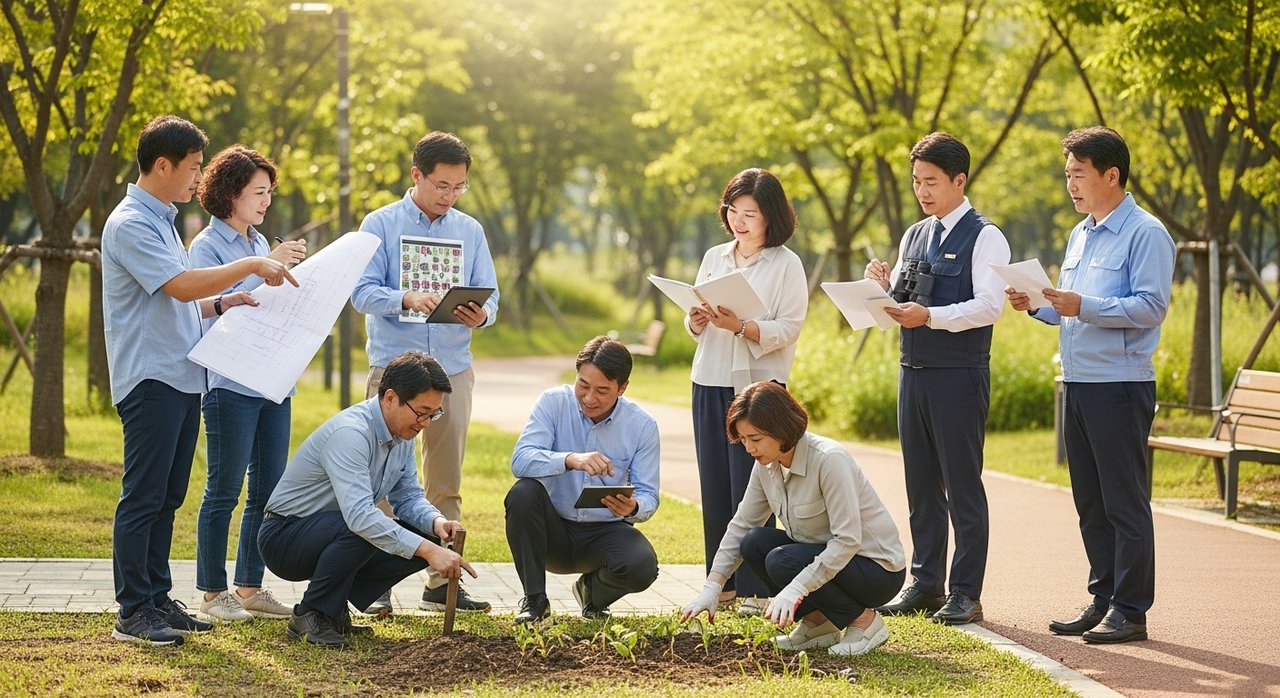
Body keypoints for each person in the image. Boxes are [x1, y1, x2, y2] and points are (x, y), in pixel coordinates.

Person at [102, 115, 297, 646]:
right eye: (192, 168)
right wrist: (254, 264)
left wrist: (224, 302)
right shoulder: (131, 223)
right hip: (151, 377)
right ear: (162, 165)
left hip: (182, 377)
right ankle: (132, 611)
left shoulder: (162, 220)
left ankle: (157, 598)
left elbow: (182, 302)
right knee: (143, 497)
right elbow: (182, 286)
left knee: (168, 498)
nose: (197, 178)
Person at [1006, 126, 1173, 644]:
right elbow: (1070, 310)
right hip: (1077, 383)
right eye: (1067, 175)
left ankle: (1131, 609)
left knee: (1124, 502)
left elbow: (1151, 307)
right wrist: (1038, 304)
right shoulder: (1081, 232)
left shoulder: (1146, 233)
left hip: (1119, 386)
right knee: (1091, 503)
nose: (1070, 185)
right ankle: (1103, 598)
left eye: (1078, 174)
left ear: (1111, 174)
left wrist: (1084, 305)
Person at [865, 132, 1011, 625]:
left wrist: (929, 317)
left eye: (931, 181)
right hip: (913, 373)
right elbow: (901, 299)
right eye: (916, 181)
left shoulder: (986, 236)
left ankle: (966, 592)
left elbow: (989, 306)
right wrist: (879, 288)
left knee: (962, 487)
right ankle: (926, 584)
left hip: (959, 376)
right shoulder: (914, 234)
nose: (922, 191)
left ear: (959, 180)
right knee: (921, 485)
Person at [352, 131, 498, 615]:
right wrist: (406, 298)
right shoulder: (380, 224)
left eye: (459, 187)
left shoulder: (470, 230)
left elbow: (491, 295)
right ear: (416, 175)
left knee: (445, 479)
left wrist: (482, 314)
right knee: (380, 479)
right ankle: (374, 582)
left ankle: (442, 581)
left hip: (453, 368)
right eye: (441, 185)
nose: (450, 195)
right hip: (393, 371)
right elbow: (360, 293)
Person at [257, 351, 477, 648]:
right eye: (422, 412)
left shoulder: (402, 434)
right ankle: (311, 613)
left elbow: (407, 496)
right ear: (390, 398)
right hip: (284, 537)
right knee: (362, 527)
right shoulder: (351, 434)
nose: (426, 423)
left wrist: (436, 523)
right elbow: (360, 517)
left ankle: (333, 609)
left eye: (433, 414)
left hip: (332, 530)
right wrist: (429, 553)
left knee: (425, 534)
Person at [682, 381, 906, 656]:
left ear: (780, 428)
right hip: (824, 558)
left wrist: (796, 588)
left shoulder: (829, 460)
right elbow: (742, 524)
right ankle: (818, 625)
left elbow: (848, 540)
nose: (748, 448)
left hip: (875, 570)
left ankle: (865, 623)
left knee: (782, 560)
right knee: (754, 542)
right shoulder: (765, 465)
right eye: (743, 439)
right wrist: (713, 585)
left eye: (755, 439)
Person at [188, 145, 307, 622]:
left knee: (267, 491)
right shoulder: (206, 247)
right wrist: (266, 267)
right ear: (231, 193)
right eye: (258, 192)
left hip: (273, 382)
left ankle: (250, 587)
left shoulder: (260, 243)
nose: (266, 202)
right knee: (223, 490)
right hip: (230, 385)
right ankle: (212, 593)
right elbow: (211, 310)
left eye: (269, 193)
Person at [686, 168, 807, 615]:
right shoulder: (715, 256)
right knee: (716, 486)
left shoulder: (786, 264)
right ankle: (720, 585)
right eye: (733, 211)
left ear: (771, 215)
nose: (738, 221)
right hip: (710, 379)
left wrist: (742, 326)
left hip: (759, 388)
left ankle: (756, 589)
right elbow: (695, 321)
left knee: (754, 489)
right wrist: (696, 320)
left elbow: (790, 327)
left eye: (749, 213)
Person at [506, 336, 660, 624]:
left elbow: (649, 493)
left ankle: (592, 592)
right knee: (523, 492)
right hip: (552, 531)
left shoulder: (642, 426)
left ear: (623, 388)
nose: (590, 398)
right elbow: (520, 460)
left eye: (602, 390)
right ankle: (535, 600)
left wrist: (634, 507)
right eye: (583, 385)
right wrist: (569, 459)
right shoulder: (552, 403)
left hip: (605, 533)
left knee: (642, 566)